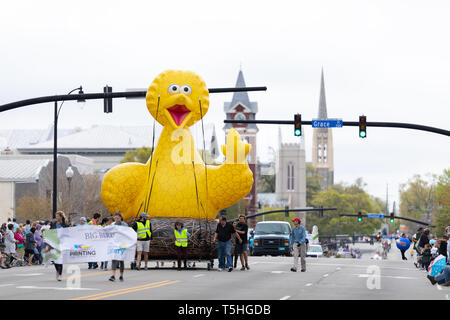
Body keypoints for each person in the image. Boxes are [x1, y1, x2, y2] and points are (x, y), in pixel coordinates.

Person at [49, 211, 69, 281]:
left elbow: (68, 233)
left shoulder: (65, 224)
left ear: (61, 217)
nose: (56, 217)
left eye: (57, 216)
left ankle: (60, 274)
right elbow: (50, 232)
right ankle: (57, 271)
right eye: (56, 216)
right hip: (54, 243)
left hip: (62, 244)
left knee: (60, 259)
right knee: (55, 260)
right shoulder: (53, 224)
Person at [109, 212, 128, 282]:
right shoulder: (112, 225)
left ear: (121, 218)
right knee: (114, 259)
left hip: (122, 244)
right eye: (115, 218)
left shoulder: (125, 225)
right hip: (115, 244)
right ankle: (113, 275)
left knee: (121, 260)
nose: (116, 219)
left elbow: (128, 234)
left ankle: (121, 275)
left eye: (118, 218)